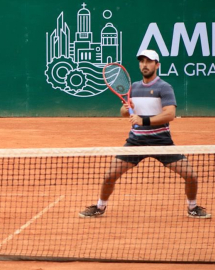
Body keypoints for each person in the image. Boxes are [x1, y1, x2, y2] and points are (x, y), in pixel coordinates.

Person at [79, 49, 211, 219]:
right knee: (110, 175)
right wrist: (126, 108)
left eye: (149, 61)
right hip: (136, 142)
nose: (145, 65)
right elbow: (124, 113)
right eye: (142, 61)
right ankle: (100, 206)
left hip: (161, 142)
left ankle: (192, 207)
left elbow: (169, 114)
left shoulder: (164, 87)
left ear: (157, 65)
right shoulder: (133, 87)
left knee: (190, 175)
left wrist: (144, 121)